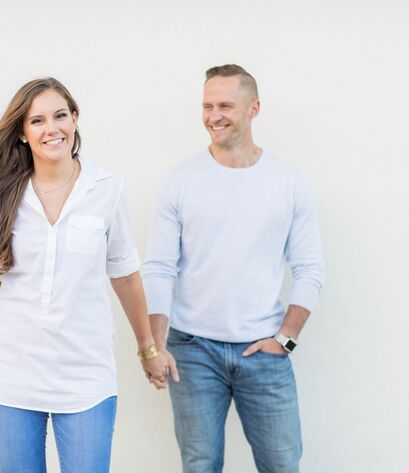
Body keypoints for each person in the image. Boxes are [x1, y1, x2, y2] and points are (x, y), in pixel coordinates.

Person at [0, 77, 169, 473]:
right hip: (12, 375)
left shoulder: (107, 189)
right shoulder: (4, 193)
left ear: (75, 119)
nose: (51, 128)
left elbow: (125, 276)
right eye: (37, 121)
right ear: (22, 132)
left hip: (86, 377)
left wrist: (148, 349)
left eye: (59, 116)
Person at [142, 64, 325, 473]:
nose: (213, 116)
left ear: (253, 108)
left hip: (264, 349)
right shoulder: (180, 180)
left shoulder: (288, 182)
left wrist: (286, 339)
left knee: (282, 464)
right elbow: (159, 268)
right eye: (207, 106)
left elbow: (310, 269)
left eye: (225, 105)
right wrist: (155, 345)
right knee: (200, 464)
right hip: (193, 352)